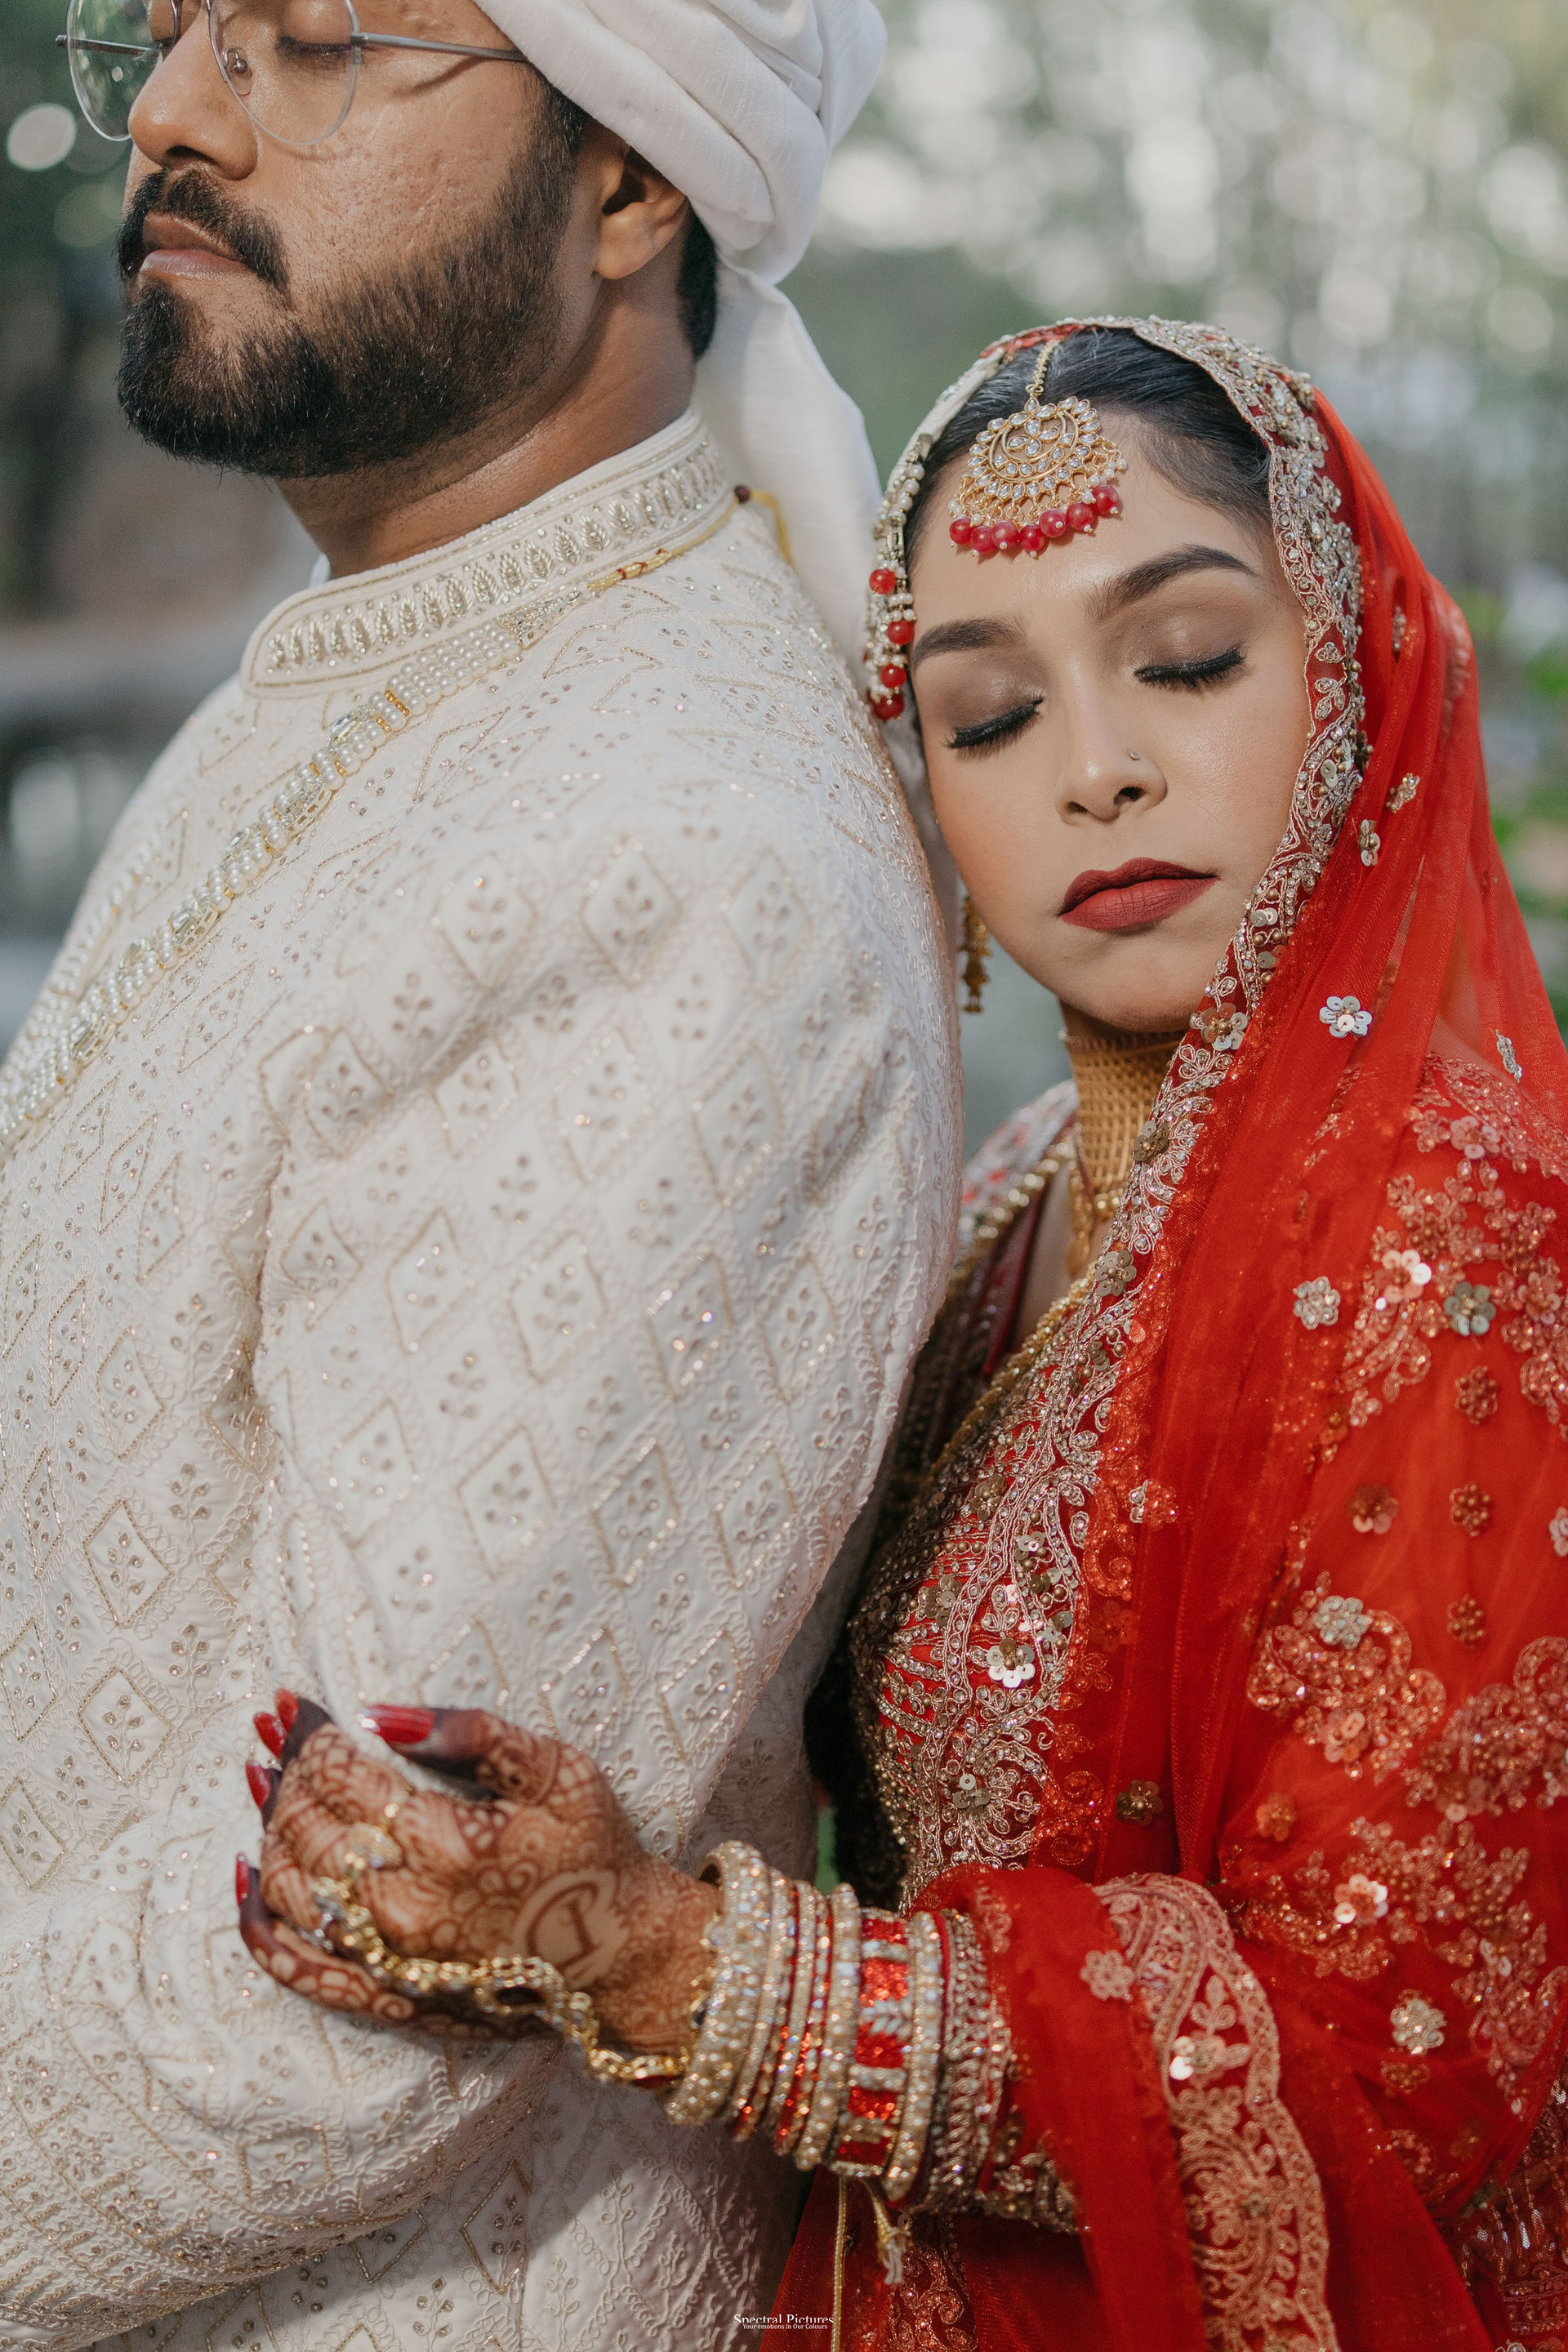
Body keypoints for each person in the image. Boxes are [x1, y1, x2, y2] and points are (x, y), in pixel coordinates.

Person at [243, 315, 1568, 2352]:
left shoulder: (1462, 1246)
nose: (1096, 768)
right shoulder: (1012, 1201)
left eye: (1186, 659)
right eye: (988, 711)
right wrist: (492, 1890)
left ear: (1358, 671)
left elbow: (1386, 2077)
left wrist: (653, 1962)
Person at [0, 3, 964, 2347]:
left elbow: (331, 1978)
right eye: (171, 26)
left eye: (314, 39)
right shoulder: (360, 673)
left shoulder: (674, 867)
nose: (173, 115)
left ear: (632, 181)